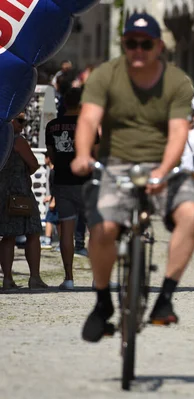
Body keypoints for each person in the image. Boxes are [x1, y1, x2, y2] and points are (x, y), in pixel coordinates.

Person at [71, 12, 194, 342]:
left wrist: (162, 170)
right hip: (115, 164)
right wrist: (84, 154)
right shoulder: (105, 75)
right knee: (104, 227)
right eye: (131, 43)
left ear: (158, 46)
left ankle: (165, 298)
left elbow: (177, 133)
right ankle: (103, 303)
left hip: (162, 164)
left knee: (192, 213)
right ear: (124, 45)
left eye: (146, 44)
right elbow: (88, 120)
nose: (138, 50)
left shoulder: (177, 82)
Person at [46, 87, 98, 290]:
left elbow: (51, 156)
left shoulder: (52, 126)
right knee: (94, 231)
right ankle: (98, 278)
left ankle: (68, 278)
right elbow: (95, 154)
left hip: (62, 181)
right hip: (86, 182)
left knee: (66, 231)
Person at [0, 113, 48, 290]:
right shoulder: (17, 140)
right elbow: (34, 164)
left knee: (8, 235)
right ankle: (34, 277)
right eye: (20, 120)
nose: (23, 124)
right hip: (20, 193)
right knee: (33, 232)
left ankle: (7, 279)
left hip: (1, 193)